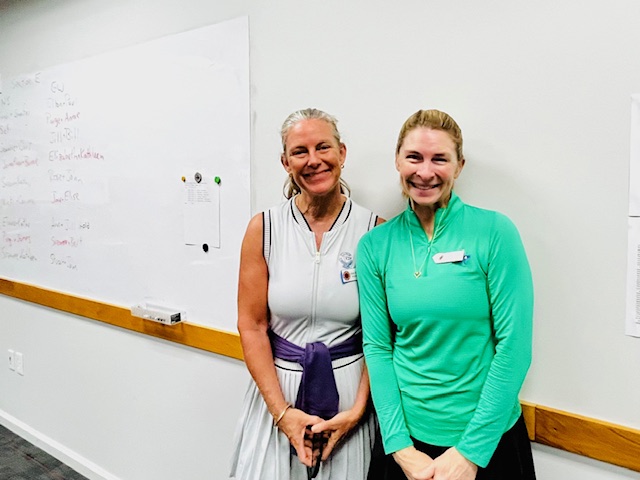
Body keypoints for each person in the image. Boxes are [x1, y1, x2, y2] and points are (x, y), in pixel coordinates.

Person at [356, 109, 536, 480]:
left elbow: (515, 347)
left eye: (439, 159)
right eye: (414, 157)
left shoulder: (494, 232)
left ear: (459, 166)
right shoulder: (375, 246)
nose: (425, 172)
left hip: (488, 443)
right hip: (408, 445)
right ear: (397, 161)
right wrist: (400, 447)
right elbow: (377, 347)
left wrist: (470, 453)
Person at [230, 108, 383, 480]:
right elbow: (252, 325)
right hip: (278, 395)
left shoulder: (374, 232)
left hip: (349, 399)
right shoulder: (264, 229)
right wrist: (282, 415)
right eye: (300, 151)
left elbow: (381, 335)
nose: (313, 160)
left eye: (323, 147)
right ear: (286, 162)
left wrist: (357, 411)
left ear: (341, 153)